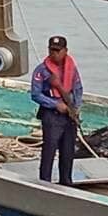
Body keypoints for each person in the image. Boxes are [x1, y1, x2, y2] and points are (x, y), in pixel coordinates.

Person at [30, 35, 83, 186]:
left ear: (65, 51)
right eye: (52, 50)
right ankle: (45, 183)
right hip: (52, 116)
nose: (55, 54)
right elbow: (35, 94)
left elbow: (78, 88)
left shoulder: (71, 68)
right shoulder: (42, 71)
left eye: (58, 51)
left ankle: (66, 182)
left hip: (69, 116)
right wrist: (54, 104)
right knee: (49, 150)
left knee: (67, 152)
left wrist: (77, 106)